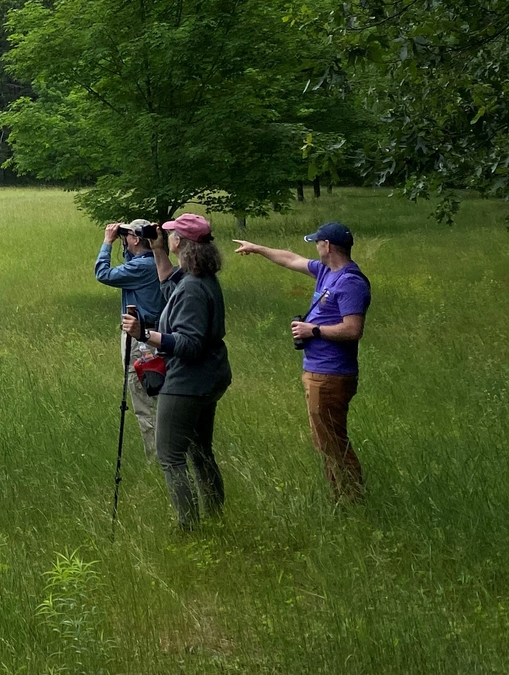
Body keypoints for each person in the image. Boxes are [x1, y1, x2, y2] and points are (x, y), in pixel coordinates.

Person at [235, 221, 369, 502]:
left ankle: (352, 498)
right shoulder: (325, 272)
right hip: (317, 370)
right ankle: (340, 496)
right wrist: (257, 248)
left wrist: (314, 330)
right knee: (325, 442)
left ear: (327, 245)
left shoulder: (350, 281)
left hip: (331, 374)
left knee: (332, 442)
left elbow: (353, 329)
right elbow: (290, 258)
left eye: (317, 242)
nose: (315, 247)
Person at [122, 213, 231, 530]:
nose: (165, 236)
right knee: (200, 451)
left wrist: (144, 334)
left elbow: (190, 343)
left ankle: (189, 527)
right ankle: (214, 516)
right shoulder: (199, 278)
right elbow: (170, 287)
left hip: (187, 381)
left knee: (170, 455)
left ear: (180, 242)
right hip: (209, 377)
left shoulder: (194, 288)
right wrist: (158, 252)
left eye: (169, 234)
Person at [96, 219, 164, 457]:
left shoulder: (140, 268)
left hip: (140, 341)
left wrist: (107, 242)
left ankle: (157, 458)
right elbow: (131, 260)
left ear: (135, 239)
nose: (123, 239)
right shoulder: (155, 262)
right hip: (156, 337)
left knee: (145, 405)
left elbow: (103, 273)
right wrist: (127, 241)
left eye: (127, 236)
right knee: (158, 400)